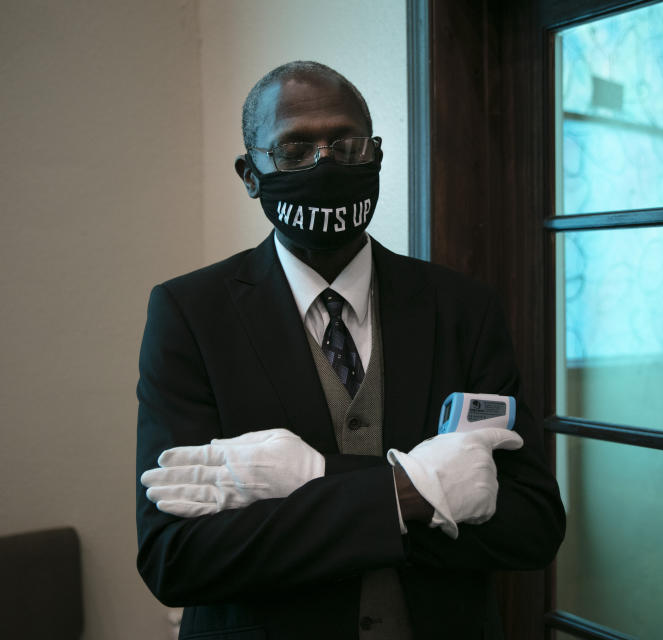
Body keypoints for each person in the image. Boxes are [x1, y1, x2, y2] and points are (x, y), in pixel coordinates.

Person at [135, 60, 565, 640]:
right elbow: (175, 555)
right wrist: (414, 492)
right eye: (294, 149)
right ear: (250, 173)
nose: (325, 162)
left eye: (346, 143)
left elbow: (532, 523)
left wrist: (300, 488)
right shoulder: (190, 314)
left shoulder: (463, 307)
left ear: (377, 156)